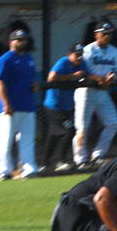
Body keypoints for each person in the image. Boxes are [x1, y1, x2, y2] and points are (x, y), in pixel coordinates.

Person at [73, 21, 117, 170]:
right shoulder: (87, 50)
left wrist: (111, 78)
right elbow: (83, 72)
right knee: (82, 128)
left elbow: (116, 70)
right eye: (104, 33)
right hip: (86, 91)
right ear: (96, 35)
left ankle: (97, 154)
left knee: (113, 123)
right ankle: (80, 159)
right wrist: (98, 79)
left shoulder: (115, 50)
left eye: (109, 34)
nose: (107, 36)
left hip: (103, 92)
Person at [0, 27, 39, 180]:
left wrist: (34, 86)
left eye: (24, 39)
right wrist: (5, 103)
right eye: (19, 39)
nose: (22, 42)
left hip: (27, 105)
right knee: (5, 140)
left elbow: (28, 80)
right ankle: (4, 171)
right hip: (9, 107)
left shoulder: (29, 58)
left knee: (28, 139)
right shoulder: (5, 59)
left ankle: (29, 169)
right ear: (11, 42)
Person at [42, 43, 90, 173]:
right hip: (53, 105)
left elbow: (88, 75)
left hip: (66, 106)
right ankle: (61, 161)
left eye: (81, 55)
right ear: (70, 55)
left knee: (54, 134)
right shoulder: (63, 62)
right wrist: (72, 76)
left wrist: (102, 79)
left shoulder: (82, 64)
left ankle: (45, 163)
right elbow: (51, 77)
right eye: (77, 55)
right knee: (69, 130)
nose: (79, 57)